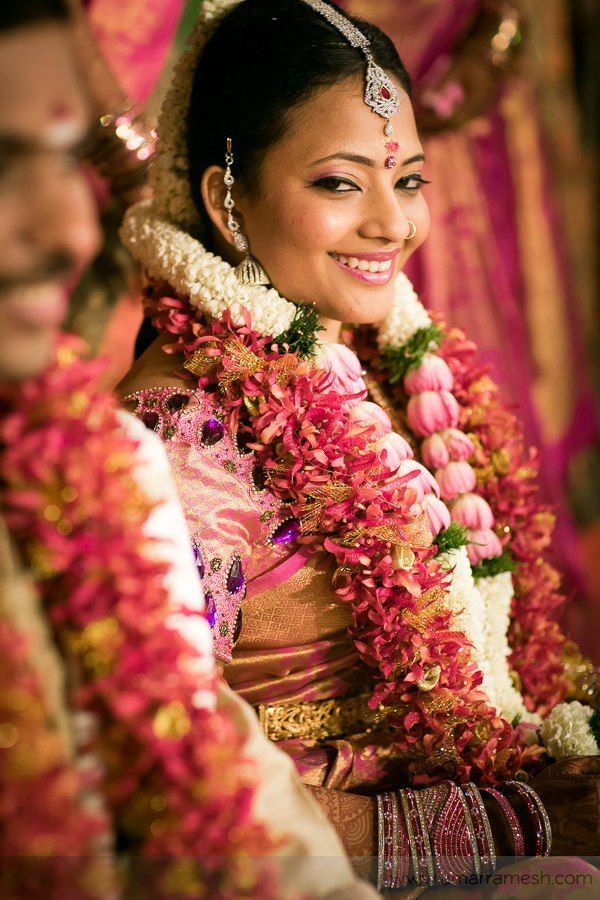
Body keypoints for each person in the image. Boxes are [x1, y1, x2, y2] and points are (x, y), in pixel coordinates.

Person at [118, 0, 600, 889]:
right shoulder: (178, 437)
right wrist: (516, 821)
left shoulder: (379, 359)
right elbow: (173, 801)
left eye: (408, 179)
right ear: (229, 200)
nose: (393, 224)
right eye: (341, 183)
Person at [0, 2, 378, 897]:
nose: (73, 231)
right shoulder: (171, 434)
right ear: (226, 201)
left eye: (61, 165)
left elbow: (223, 795)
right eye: (5, 165)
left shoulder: (95, 473)